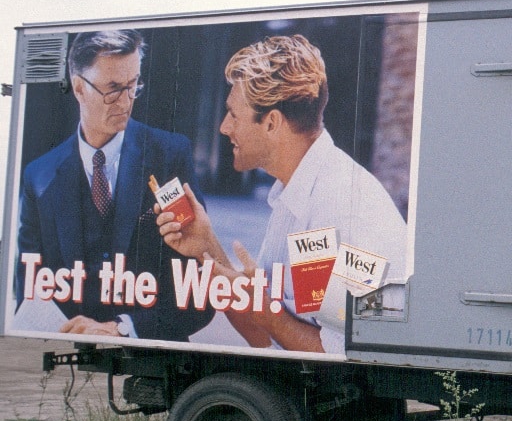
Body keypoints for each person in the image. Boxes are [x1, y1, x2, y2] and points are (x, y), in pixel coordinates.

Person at [158, 34, 407, 354]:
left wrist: (271, 318)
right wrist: (204, 245)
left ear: (272, 123)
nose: (223, 127)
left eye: (233, 114)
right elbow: (269, 337)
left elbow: (344, 357)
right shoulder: (298, 193)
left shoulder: (340, 208)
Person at [15, 30, 214, 341]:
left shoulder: (169, 156)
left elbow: (197, 292)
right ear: (78, 87)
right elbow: (29, 284)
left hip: (153, 352)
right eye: (112, 89)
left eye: (132, 86)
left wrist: (123, 328)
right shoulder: (39, 176)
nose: (125, 102)